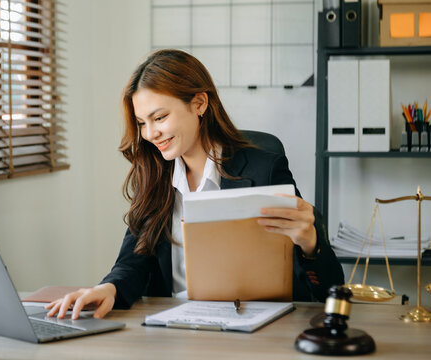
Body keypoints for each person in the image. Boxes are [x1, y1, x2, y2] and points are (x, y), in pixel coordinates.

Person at [46, 49, 344, 320]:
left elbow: (328, 287)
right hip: (172, 326)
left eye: (159, 117)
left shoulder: (265, 168)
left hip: (251, 327)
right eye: (141, 123)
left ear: (199, 103)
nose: (150, 133)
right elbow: (133, 262)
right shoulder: (153, 176)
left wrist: (311, 245)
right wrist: (109, 288)